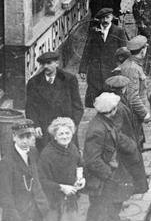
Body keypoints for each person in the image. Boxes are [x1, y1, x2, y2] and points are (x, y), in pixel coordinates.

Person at [84, 93, 141, 221]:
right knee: (100, 211)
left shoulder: (105, 121)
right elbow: (92, 160)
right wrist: (109, 175)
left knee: (111, 208)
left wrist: (131, 145)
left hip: (108, 176)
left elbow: (116, 136)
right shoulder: (97, 130)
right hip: (101, 181)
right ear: (111, 110)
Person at [24, 51, 83, 152]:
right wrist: (36, 125)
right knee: (46, 158)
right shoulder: (34, 82)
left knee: (68, 157)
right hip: (45, 128)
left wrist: (72, 125)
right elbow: (30, 107)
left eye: (49, 63)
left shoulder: (69, 79)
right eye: (43, 64)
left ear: (57, 63)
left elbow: (77, 106)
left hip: (65, 128)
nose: (45, 66)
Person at [0, 119, 50, 221]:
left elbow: (36, 180)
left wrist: (43, 205)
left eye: (28, 137)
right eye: (21, 137)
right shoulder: (7, 161)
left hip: (36, 210)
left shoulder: (33, 151)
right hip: (17, 213)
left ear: (33, 137)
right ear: (14, 137)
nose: (25, 141)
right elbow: (5, 194)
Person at [37, 117, 85, 221]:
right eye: (61, 134)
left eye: (67, 133)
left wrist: (80, 179)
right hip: (53, 202)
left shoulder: (73, 148)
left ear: (72, 133)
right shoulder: (47, 154)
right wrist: (62, 187)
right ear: (55, 136)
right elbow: (41, 180)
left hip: (70, 200)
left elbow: (79, 164)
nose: (65, 136)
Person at [80, 7, 128, 107]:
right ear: (99, 19)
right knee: (95, 100)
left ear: (112, 17)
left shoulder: (118, 31)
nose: (105, 20)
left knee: (113, 99)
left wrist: (122, 66)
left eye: (107, 17)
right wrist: (83, 69)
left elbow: (125, 51)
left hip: (112, 69)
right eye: (102, 18)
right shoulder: (94, 31)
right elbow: (87, 50)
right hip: (95, 71)